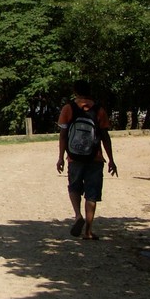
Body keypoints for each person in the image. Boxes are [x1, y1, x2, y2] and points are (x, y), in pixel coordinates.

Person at [56, 84, 118, 240]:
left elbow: (63, 135)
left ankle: (77, 215)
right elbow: (105, 137)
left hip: (74, 157)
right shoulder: (99, 110)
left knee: (74, 187)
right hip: (95, 158)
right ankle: (88, 232)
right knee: (92, 193)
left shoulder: (68, 109)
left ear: (75, 92)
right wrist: (111, 160)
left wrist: (60, 157)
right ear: (90, 92)